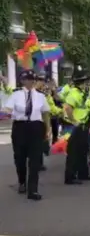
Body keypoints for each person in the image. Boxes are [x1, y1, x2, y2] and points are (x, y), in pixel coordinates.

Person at [3, 70, 50, 200]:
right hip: (20, 127)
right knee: (20, 157)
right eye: (26, 80)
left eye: (31, 80)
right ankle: (22, 181)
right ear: (22, 81)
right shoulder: (15, 95)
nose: (29, 82)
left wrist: (47, 129)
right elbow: (8, 109)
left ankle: (33, 189)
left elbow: (45, 113)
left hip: (36, 127)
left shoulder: (40, 96)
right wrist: (5, 113)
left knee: (35, 159)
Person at [63, 65, 90, 185]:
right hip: (76, 126)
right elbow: (68, 108)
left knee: (83, 150)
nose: (87, 83)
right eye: (85, 81)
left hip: (84, 125)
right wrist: (74, 121)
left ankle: (83, 173)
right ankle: (70, 176)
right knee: (74, 152)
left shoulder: (84, 93)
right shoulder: (74, 93)